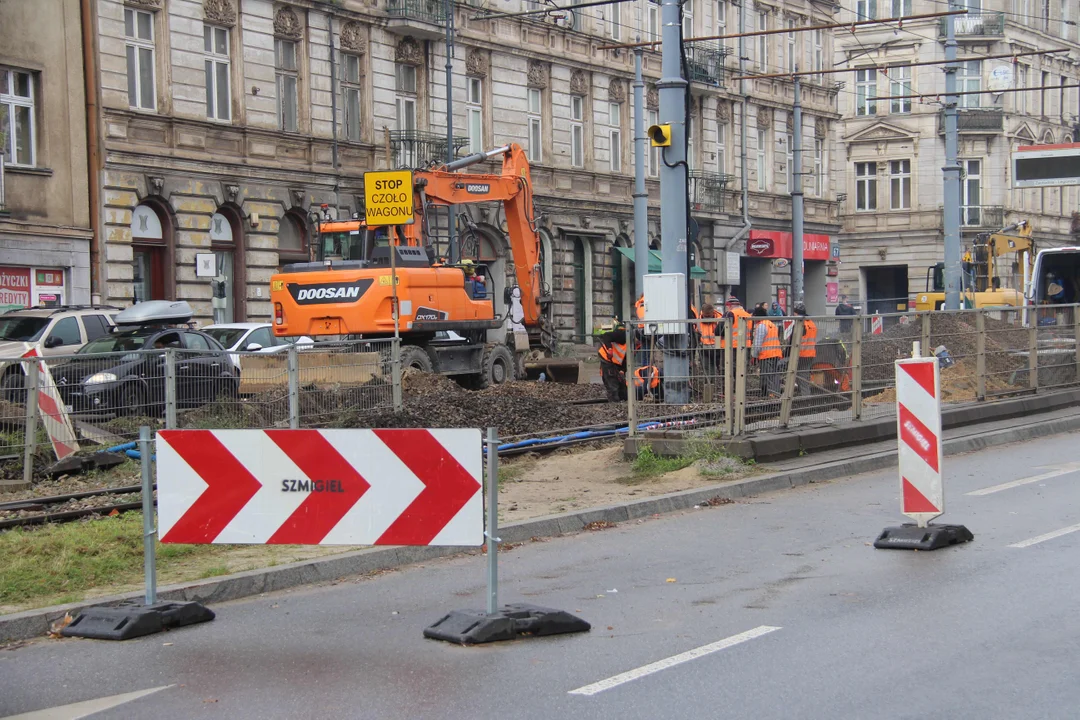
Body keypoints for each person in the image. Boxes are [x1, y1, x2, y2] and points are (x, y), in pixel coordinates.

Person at [751, 304, 784, 398]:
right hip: (776, 354)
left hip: (766, 355)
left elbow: (758, 343)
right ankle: (775, 393)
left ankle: (770, 396)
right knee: (775, 376)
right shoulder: (771, 324)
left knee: (767, 376)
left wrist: (754, 356)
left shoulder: (761, 326)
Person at [596, 325, 628, 401]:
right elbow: (606, 336)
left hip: (617, 361)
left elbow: (626, 359)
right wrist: (609, 349)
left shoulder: (636, 345)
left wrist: (623, 370)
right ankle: (614, 400)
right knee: (611, 379)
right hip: (606, 357)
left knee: (621, 382)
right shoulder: (623, 335)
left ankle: (621, 398)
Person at [792, 302, 816, 393]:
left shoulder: (800, 324)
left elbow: (794, 340)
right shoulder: (811, 323)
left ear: (796, 313)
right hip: (810, 353)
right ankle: (803, 393)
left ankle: (805, 396)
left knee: (801, 376)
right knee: (804, 375)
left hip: (801, 354)